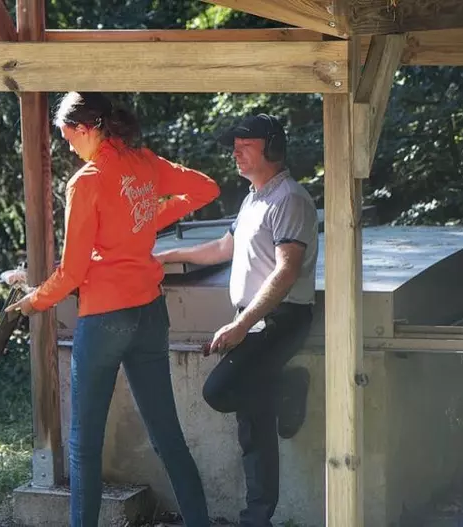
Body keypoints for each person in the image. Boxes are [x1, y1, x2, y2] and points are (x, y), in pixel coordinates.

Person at [6, 92, 219, 527]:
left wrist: (32, 303)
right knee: (167, 435)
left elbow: (72, 273)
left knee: (84, 444)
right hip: (149, 312)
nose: (67, 146)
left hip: (105, 319)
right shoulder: (143, 162)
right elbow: (206, 189)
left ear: (85, 129)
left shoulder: (86, 181)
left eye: (67, 137)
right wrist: (146, 219)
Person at [155, 114, 318, 527]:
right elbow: (223, 248)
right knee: (254, 425)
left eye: (245, 144)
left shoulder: (290, 200)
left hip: (282, 318)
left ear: (273, 149)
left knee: (220, 391)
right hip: (255, 318)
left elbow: (286, 271)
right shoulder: (252, 198)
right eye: (234, 144)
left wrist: (242, 325)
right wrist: (162, 258)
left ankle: (288, 384)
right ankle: (256, 518)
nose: (235, 151)